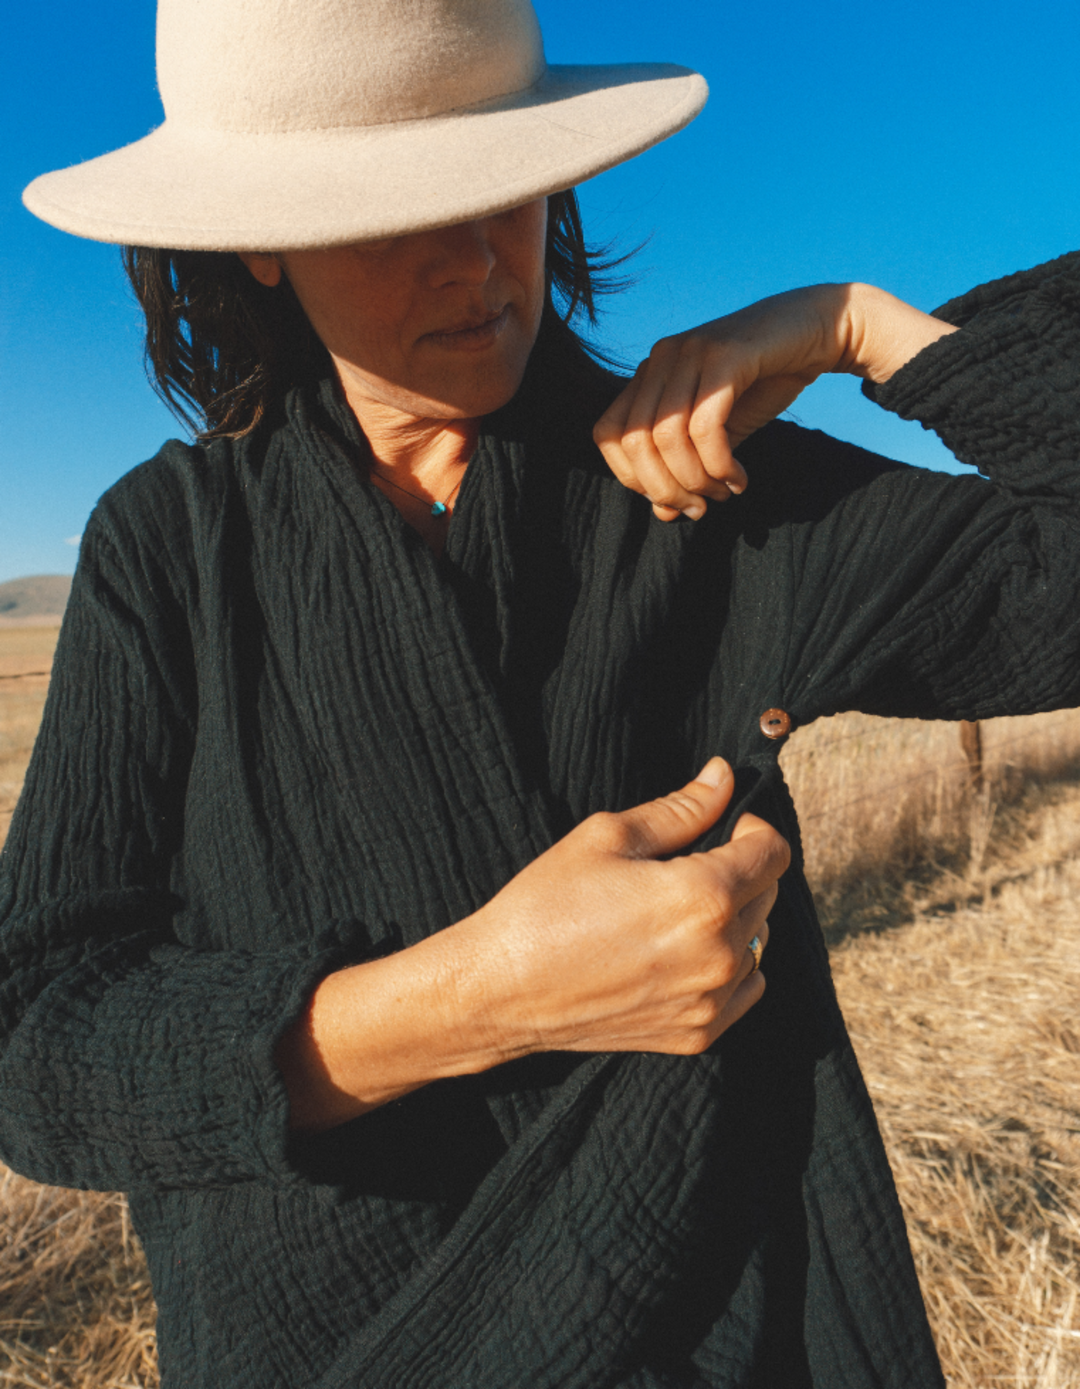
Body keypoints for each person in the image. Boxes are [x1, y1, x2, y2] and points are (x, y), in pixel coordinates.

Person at [4, 0, 1080, 1385]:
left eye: (506, 184)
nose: (476, 259)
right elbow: (37, 1041)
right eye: (390, 209)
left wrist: (857, 327)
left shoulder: (700, 489)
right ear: (252, 241)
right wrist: (481, 994)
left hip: (734, 1338)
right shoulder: (167, 552)